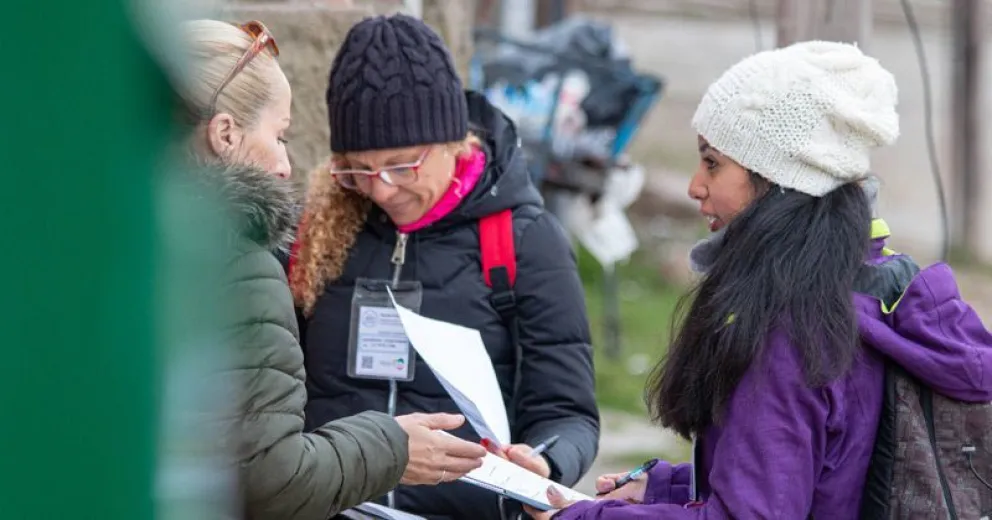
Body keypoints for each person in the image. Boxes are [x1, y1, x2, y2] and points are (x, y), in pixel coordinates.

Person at [528, 41, 992, 519]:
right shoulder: (877, 287)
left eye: (713, 162)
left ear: (778, 178)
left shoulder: (794, 332)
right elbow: (823, 474)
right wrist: (665, 487)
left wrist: (580, 516)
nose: (694, 186)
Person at [286, 13, 600, 520]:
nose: (381, 189)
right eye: (359, 169)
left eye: (403, 164)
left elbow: (568, 413)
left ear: (454, 139)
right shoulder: (320, 227)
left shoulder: (522, 238)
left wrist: (544, 461)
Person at [169, 19, 486, 520]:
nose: (285, 166)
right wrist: (391, 445)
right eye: (281, 136)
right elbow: (272, 481)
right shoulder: (244, 264)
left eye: (402, 165)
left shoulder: (80, 243)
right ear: (225, 134)